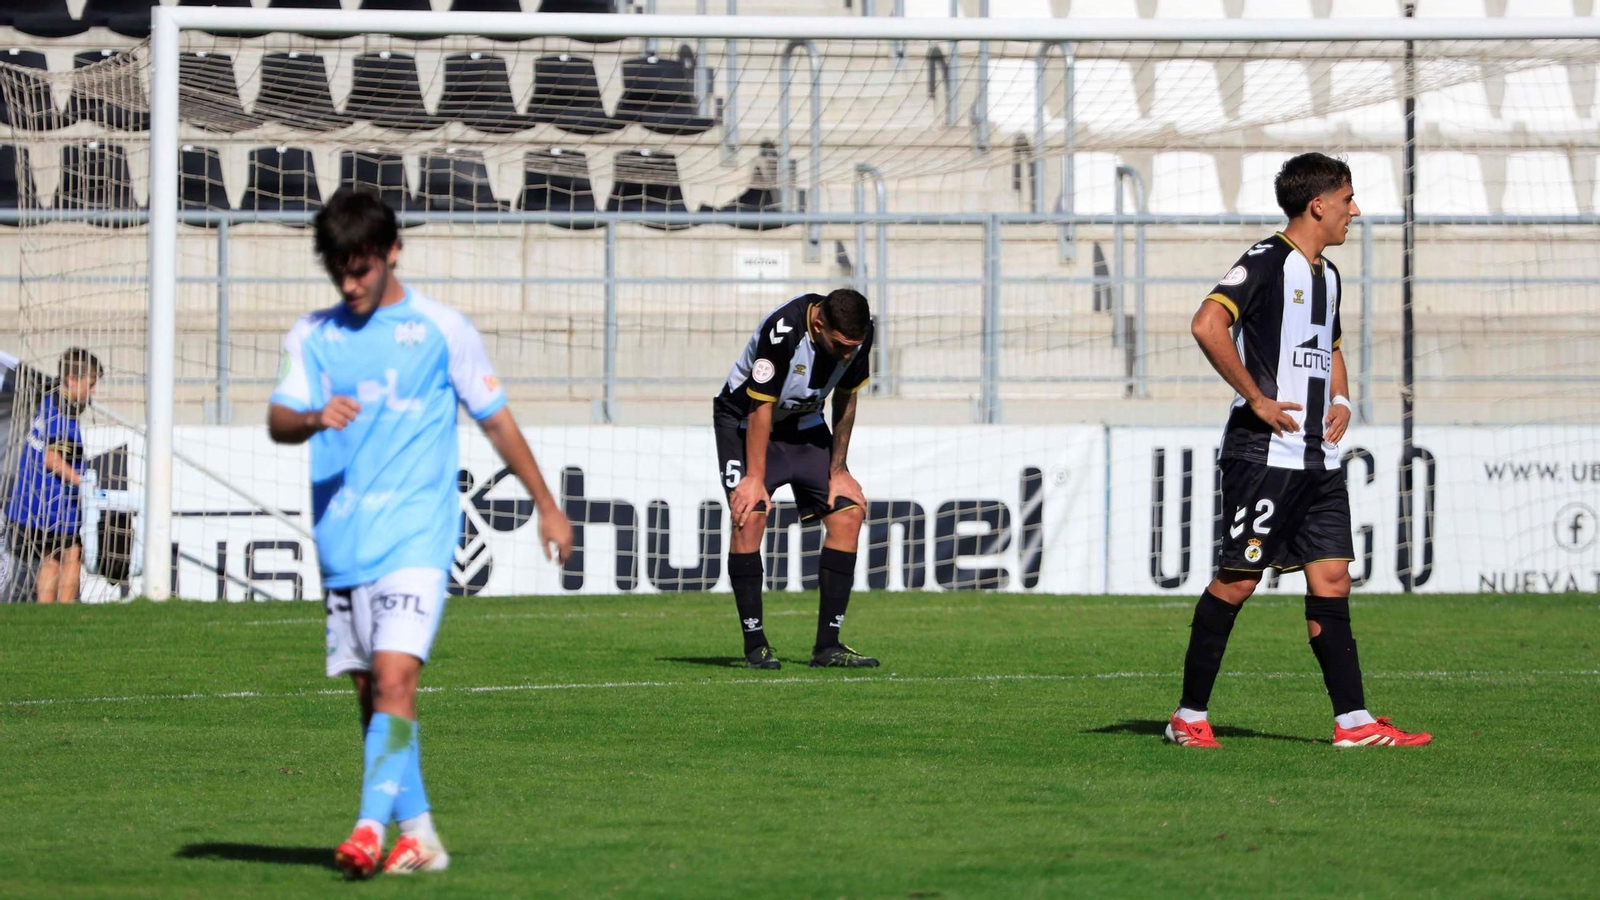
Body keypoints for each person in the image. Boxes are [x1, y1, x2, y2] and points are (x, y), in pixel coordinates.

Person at [268, 188, 574, 877]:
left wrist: (547, 505)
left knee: (395, 678)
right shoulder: (311, 336)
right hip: (344, 539)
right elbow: (279, 418)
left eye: (361, 269)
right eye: (339, 272)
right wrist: (314, 417)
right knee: (372, 697)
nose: (350, 285)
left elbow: (496, 420)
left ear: (392, 252)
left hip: (417, 536)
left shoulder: (442, 329)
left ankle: (366, 830)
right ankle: (421, 837)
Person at [1168, 152, 1430, 749]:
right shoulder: (1266, 260)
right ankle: (1187, 716)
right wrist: (1257, 399)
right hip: (1264, 455)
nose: (1354, 211)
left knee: (1333, 578)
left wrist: (1341, 397)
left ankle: (1353, 723)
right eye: (1347, 199)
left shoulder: (1328, 275)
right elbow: (1207, 323)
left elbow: (1328, 347)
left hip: (1319, 459)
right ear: (1318, 204)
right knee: (1238, 581)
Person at [714, 289, 877, 670]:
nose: (848, 354)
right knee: (749, 514)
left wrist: (838, 470)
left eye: (854, 346)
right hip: (744, 423)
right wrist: (755, 478)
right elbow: (760, 405)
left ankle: (828, 646)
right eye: (841, 345)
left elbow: (847, 396)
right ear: (818, 324)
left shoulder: (859, 334)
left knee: (849, 513)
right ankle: (756, 646)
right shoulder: (783, 329)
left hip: (803, 425)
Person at [4, 347, 99, 604]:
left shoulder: (51, 400)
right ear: (71, 380)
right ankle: (65, 611)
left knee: (52, 556)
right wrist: (83, 483)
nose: (93, 392)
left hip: (38, 501)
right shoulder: (62, 412)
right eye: (90, 385)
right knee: (71, 553)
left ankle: (47, 613)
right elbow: (51, 458)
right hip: (52, 502)